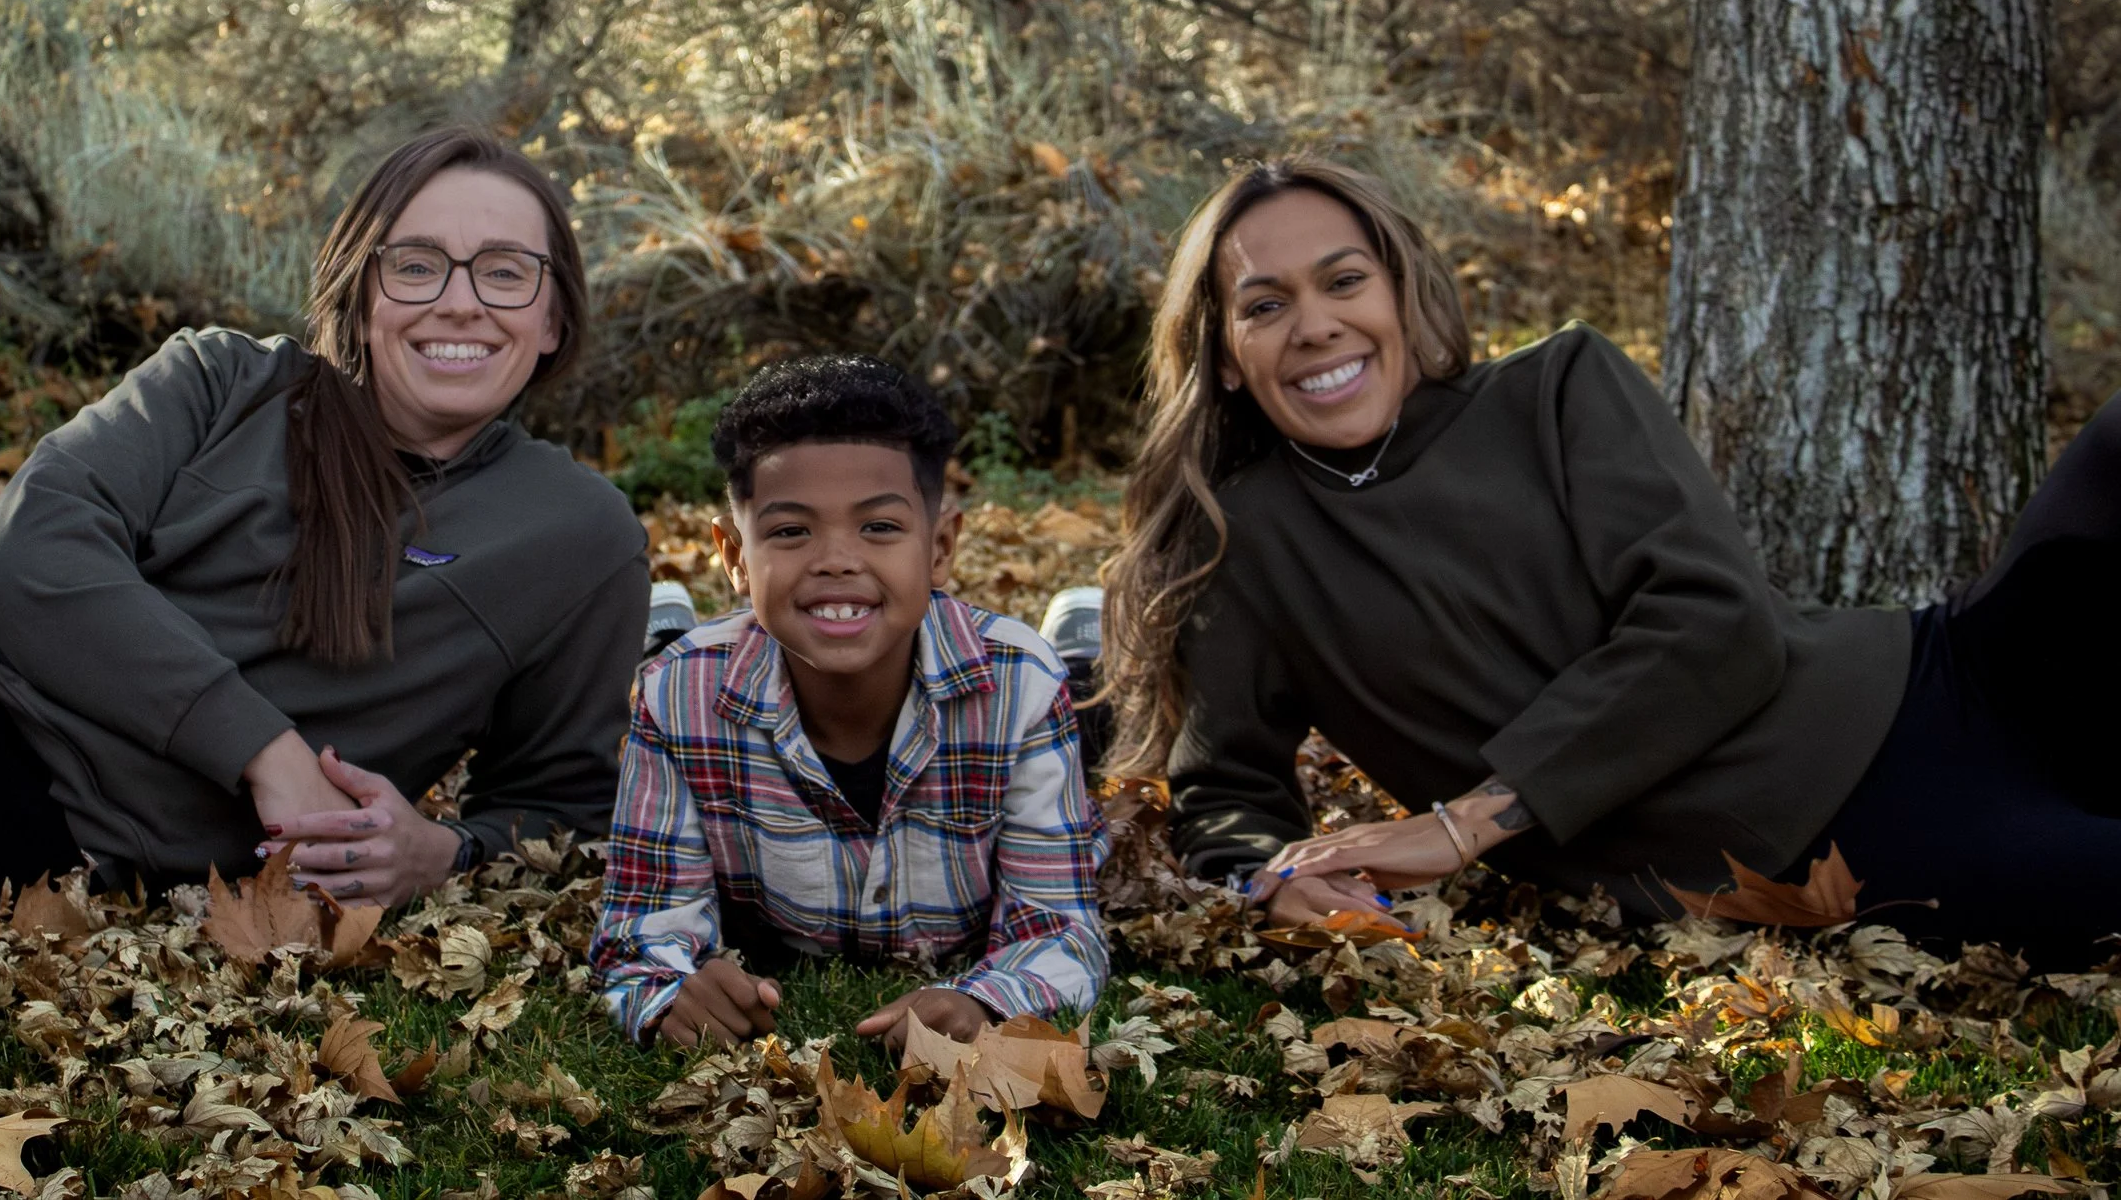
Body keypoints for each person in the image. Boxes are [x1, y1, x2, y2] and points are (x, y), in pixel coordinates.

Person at [0, 128, 650, 964]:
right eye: (418, 264)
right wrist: (267, 752)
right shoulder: (221, 378)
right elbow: (26, 551)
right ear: (363, 288)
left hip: (11, 805)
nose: (459, 300)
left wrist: (440, 849)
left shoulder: (576, 534)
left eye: (506, 273)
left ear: (556, 312)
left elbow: (561, 807)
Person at [1098, 156, 2121, 965]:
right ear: (1226, 353)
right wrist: (1272, 877)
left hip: (1941, 669)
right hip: (1833, 839)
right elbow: (1224, 787)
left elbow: (1718, 626)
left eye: (1343, 279)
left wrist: (1465, 823)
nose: (1316, 324)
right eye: (1265, 303)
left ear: (1399, 290)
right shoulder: (1242, 542)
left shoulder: (1557, 386)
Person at [591, 356, 1109, 1048]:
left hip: (1031, 691)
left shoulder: (1021, 689)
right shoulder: (677, 699)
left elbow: (1062, 928)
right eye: (790, 532)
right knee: (672, 664)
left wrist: (990, 1000)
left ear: (941, 546)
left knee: (1094, 700)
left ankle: (1079, 637)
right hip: (717, 670)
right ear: (735, 557)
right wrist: (665, 992)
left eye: (880, 528)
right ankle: (669, 627)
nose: (837, 559)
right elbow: (641, 926)